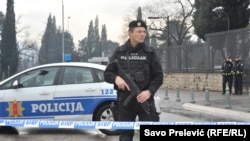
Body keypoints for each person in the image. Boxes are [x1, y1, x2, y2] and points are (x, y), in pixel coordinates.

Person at [104, 20, 163, 141]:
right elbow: (107, 74)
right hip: (125, 102)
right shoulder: (119, 52)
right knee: (125, 136)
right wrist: (116, 78)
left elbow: (159, 76)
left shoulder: (150, 53)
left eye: (144, 32)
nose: (143, 34)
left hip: (145, 100)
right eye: (139, 31)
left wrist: (149, 92)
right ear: (130, 33)